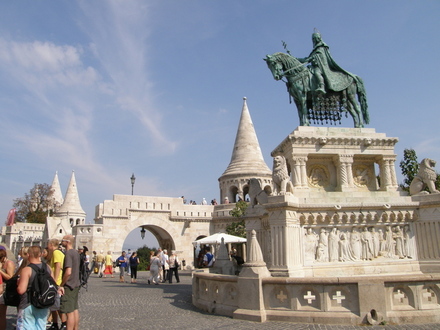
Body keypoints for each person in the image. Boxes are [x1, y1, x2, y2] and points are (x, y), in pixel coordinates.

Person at [297, 30, 354, 95]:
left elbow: (322, 57)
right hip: (314, 66)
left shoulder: (322, 47)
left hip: (322, 67)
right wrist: (296, 59)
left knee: (317, 73)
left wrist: (314, 58)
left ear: (319, 38)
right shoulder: (315, 49)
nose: (315, 40)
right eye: (313, 39)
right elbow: (306, 59)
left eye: (316, 38)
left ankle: (322, 87)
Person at [16, 245, 58, 330]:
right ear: (41, 254)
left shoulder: (27, 269)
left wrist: (18, 283)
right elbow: (53, 284)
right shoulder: (48, 267)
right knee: (40, 327)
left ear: (28, 255)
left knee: (27, 326)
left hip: (28, 303)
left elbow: (21, 290)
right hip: (43, 303)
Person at [59, 235, 81, 330]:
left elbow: (68, 272)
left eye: (62, 240)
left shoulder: (68, 253)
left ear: (67, 242)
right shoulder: (76, 253)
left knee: (69, 312)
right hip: (76, 284)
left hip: (69, 285)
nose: (61, 242)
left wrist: (61, 284)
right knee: (74, 309)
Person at [47, 239, 65, 330]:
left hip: (56, 281)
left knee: (57, 304)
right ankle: (55, 323)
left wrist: (54, 280)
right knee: (53, 304)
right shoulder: (58, 252)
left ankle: (63, 323)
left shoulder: (56, 253)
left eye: (48, 245)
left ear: (51, 244)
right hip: (56, 281)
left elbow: (58, 266)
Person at [0, 247, 15, 329]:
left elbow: (10, 277)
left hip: (4, 290)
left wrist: (0, 271)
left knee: (1, 314)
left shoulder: (9, 263)